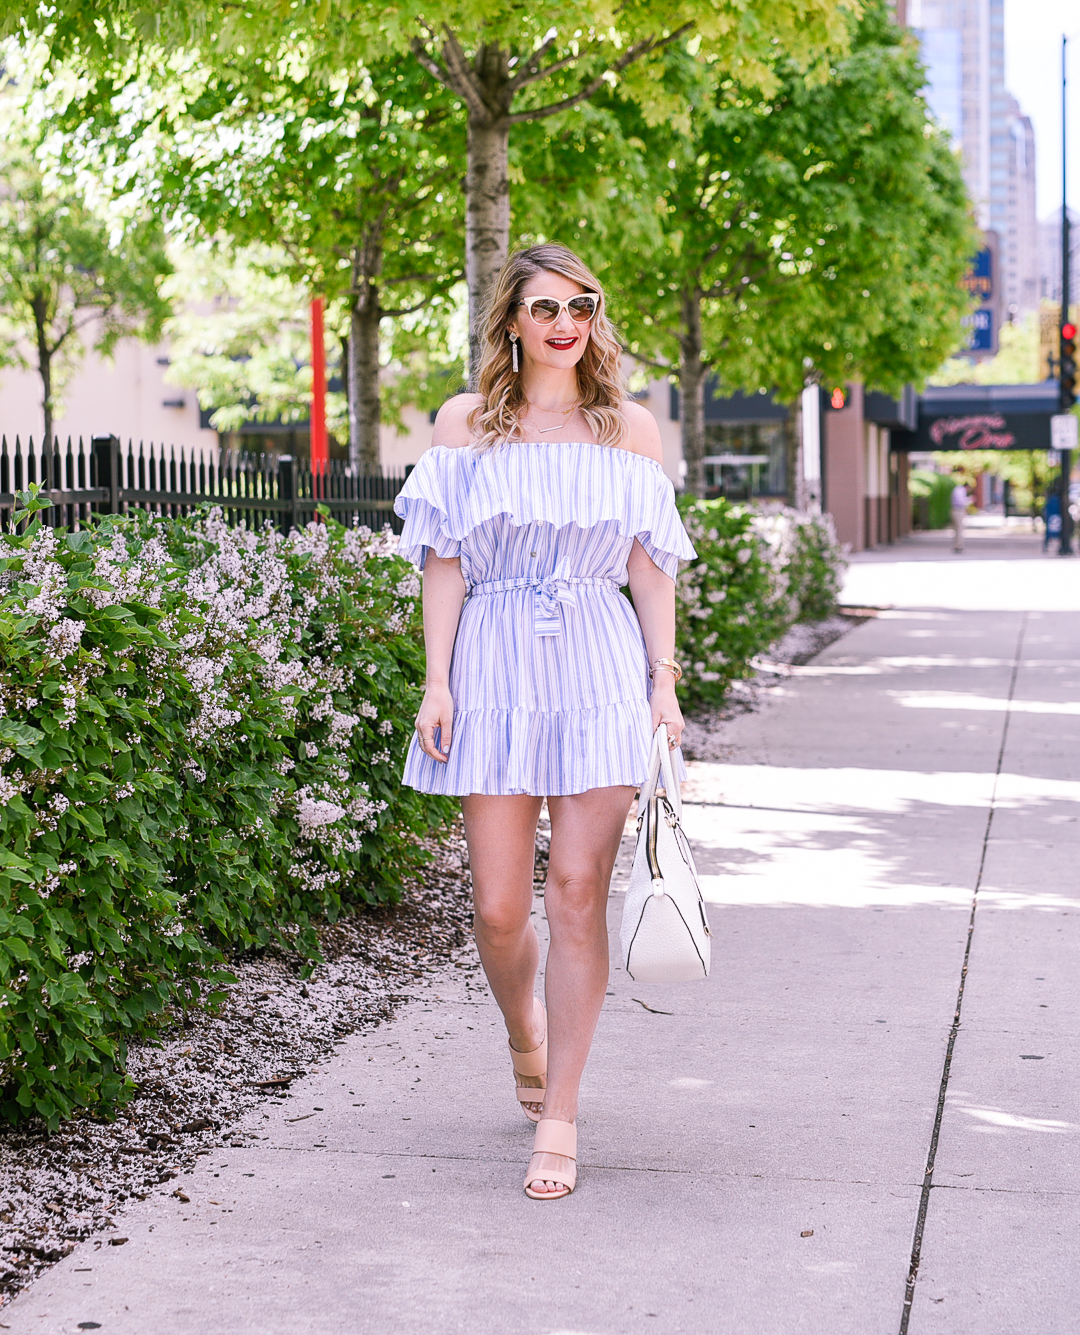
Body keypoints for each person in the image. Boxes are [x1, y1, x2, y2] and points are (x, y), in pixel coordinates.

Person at [393, 243, 695, 1201]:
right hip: (494, 659)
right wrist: (436, 680)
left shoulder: (630, 430)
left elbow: (651, 564)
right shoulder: (466, 424)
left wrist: (664, 679)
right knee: (496, 906)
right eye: (547, 307)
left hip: (601, 661)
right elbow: (444, 558)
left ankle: (559, 1115)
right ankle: (521, 1027)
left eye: (583, 305)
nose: (567, 322)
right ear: (512, 322)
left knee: (575, 887)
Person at [950, 471, 970, 552]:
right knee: (959, 529)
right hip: (959, 510)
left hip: (954, 509)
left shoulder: (957, 489)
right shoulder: (961, 491)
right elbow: (961, 502)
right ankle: (959, 545)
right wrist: (968, 501)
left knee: (956, 529)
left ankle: (956, 544)